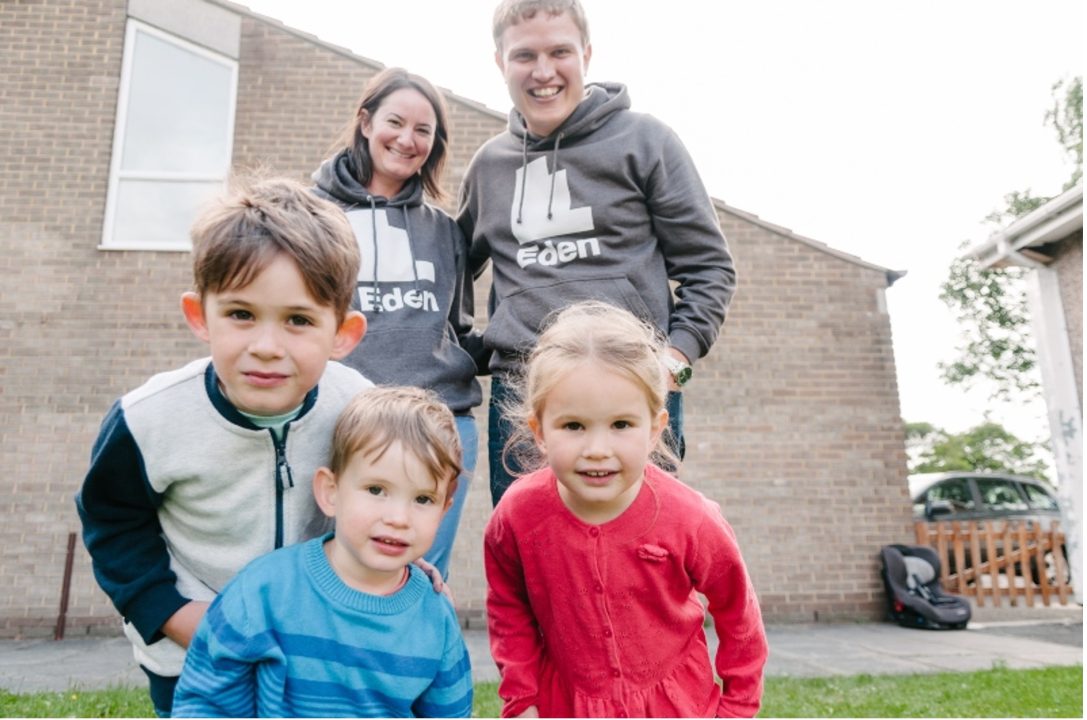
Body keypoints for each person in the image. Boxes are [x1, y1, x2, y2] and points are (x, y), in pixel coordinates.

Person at [75, 177, 371, 717]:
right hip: (192, 649)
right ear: (199, 316)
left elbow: (382, 496)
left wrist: (397, 567)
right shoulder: (148, 419)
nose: (265, 346)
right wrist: (179, 617)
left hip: (308, 646)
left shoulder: (358, 407)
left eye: (299, 321)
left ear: (343, 334)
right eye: (240, 314)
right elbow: (112, 525)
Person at [458, 0, 737, 505]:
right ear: (500, 63)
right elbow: (452, 265)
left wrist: (673, 361)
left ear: (586, 53)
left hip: (631, 383)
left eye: (559, 51)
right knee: (532, 559)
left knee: (639, 559)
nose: (543, 72)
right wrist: (478, 348)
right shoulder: (489, 167)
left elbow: (709, 267)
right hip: (523, 395)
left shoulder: (645, 140)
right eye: (524, 56)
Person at [484, 301, 767, 718]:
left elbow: (739, 617)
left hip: (679, 706)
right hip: (567, 705)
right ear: (539, 431)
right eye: (574, 426)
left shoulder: (692, 518)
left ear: (654, 429)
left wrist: (737, 709)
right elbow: (508, 606)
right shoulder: (517, 515)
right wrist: (522, 695)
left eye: (621, 425)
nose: (598, 450)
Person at [172, 387, 474, 718]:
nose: (398, 519)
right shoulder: (263, 591)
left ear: (445, 508)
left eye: (423, 499)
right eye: (376, 490)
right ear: (330, 492)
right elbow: (205, 704)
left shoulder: (435, 615)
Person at [313, 67, 485, 578]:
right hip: (339, 419)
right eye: (395, 122)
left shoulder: (443, 230)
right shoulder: (310, 213)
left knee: (419, 578)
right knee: (330, 568)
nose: (407, 140)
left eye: (423, 131)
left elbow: (457, 329)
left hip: (442, 420)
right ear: (365, 122)